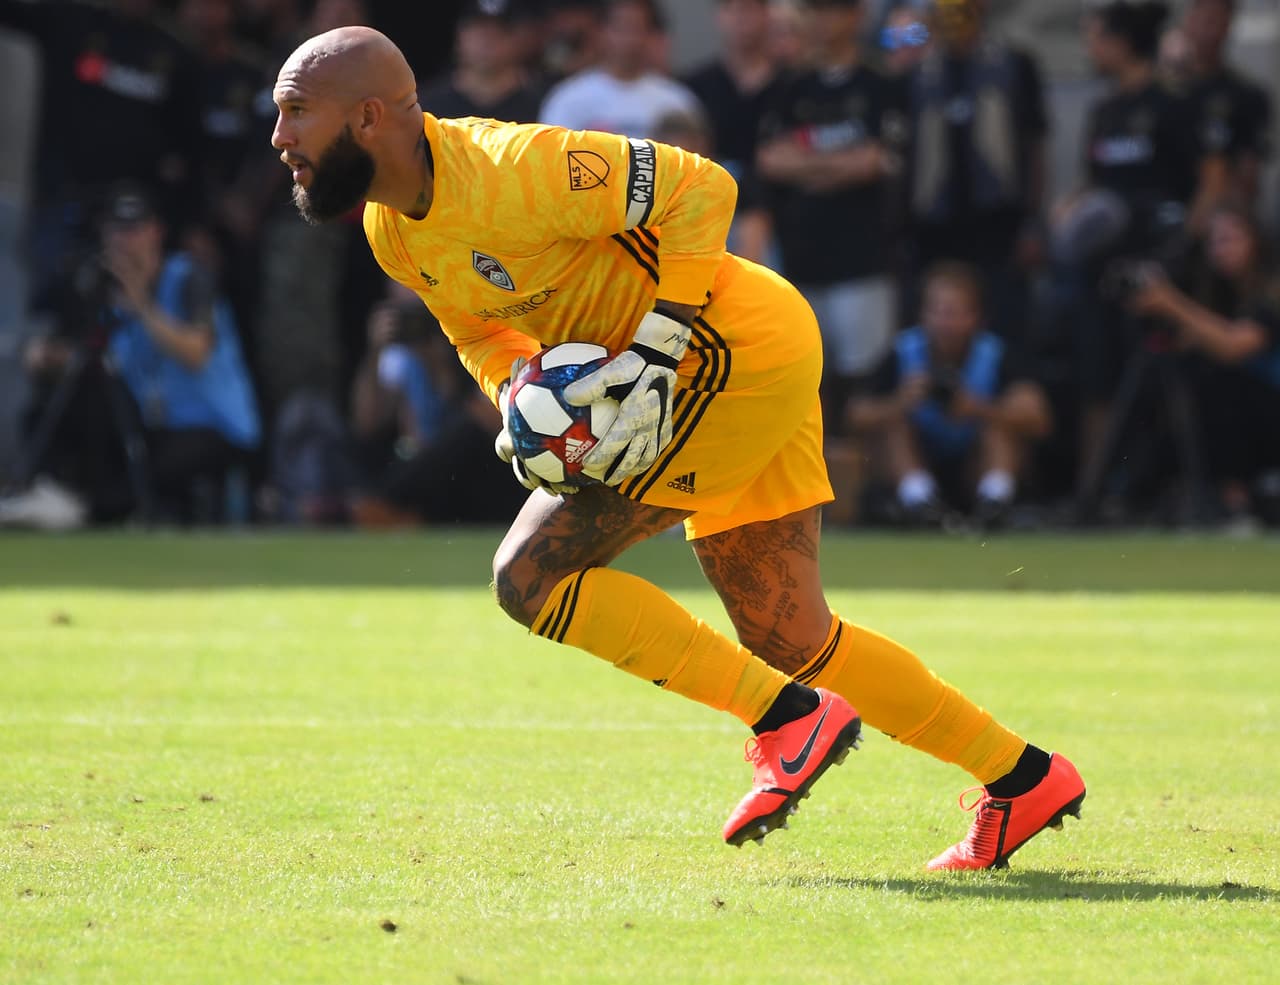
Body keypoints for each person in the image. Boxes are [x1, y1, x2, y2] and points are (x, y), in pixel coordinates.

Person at [268, 26, 1085, 867]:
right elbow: (477, 332)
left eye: (295, 112)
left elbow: (703, 187)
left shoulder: (516, 168)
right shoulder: (389, 229)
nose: (279, 138)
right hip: (737, 353)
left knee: (529, 576)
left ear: (368, 117)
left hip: (723, 354)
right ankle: (1023, 779)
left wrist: (657, 345)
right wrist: (515, 397)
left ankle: (788, 718)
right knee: (791, 635)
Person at [6, 184, 260, 525]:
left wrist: (140, 302)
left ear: (156, 232)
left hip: (215, 425)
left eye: (134, 229)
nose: (125, 241)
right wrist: (50, 356)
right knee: (71, 406)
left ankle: (84, 510)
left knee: (145, 470)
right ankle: (45, 489)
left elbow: (196, 353)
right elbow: (105, 360)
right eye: (116, 230)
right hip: (153, 423)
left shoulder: (188, 277)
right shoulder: (108, 293)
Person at [743, 0, 905, 523]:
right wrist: (842, 168)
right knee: (806, 382)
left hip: (864, 260)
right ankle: (804, 498)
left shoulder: (880, 87)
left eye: (832, 11)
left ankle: (866, 500)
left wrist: (809, 168)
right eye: (812, 12)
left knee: (865, 382)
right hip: (800, 263)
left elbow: (881, 161)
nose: (821, 22)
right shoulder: (787, 88)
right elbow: (770, 161)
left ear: (855, 17)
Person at [849, 261, 1052, 526]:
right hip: (918, 456)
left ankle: (994, 501)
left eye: (956, 313)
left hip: (974, 462)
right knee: (892, 425)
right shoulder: (903, 351)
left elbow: (1039, 419)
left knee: (1000, 427)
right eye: (938, 311)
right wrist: (900, 402)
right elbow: (854, 415)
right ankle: (919, 501)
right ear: (923, 314)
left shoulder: (996, 354)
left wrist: (978, 408)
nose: (946, 323)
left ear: (977, 317)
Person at [902, 0, 1049, 348]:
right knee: (936, 326)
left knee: (1006, 326)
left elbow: (1035, 147)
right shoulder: (917, 75)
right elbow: (905, 158)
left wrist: (1033, 222)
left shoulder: (1015, 65)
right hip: (935, 226)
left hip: (999, 222)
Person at [1126, 205, 1280, 525]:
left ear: (1256, 242)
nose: (1221, 250)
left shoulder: (1271, 293)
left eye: (1231, 239)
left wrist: (1171, 303)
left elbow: (1234, 346)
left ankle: (1238, 496)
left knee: (1222, 382)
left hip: (1268, 409)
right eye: (1214, 241)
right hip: (1244, 414)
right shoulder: (1217, 294)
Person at [538, 0, 702, 139]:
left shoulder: (676, 100)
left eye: (637, 28)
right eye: (622, 27)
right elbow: (552, 159)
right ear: (601, 32)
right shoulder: (569, 98)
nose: (630, 39)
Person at [418, 0, 546, 125]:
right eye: (477, 29)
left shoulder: (546, 105)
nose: (487, 40)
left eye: (501, 30)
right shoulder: (425, 106)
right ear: (460, 34)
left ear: (520, 39)